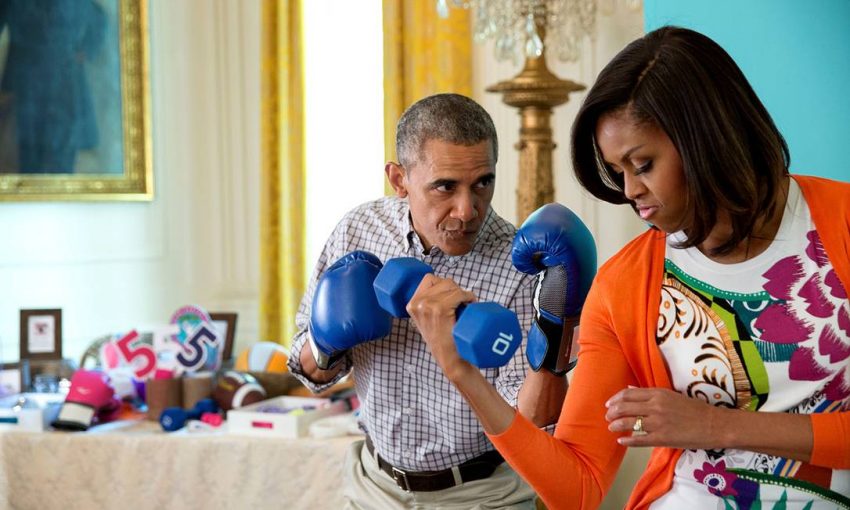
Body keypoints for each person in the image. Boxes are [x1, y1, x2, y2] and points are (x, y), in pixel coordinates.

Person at [408, 27, 850, 509]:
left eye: (642, 164)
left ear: (707, 137)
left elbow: (700, 426)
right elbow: (577, 486)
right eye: (618, 171)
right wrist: (463, 374)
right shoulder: (626, 283)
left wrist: (714, 425)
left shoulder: (839, 222)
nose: (630, 191)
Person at [287, 93, 568, 509]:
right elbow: (309, 372)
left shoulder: (521, 265)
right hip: (374, 489)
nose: (467, 210)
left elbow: (532, 426)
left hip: (482, 494)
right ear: (399, 179)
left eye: (482, 183)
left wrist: (560, 320)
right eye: (445, 186)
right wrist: (325, 342)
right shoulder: (359, 231)